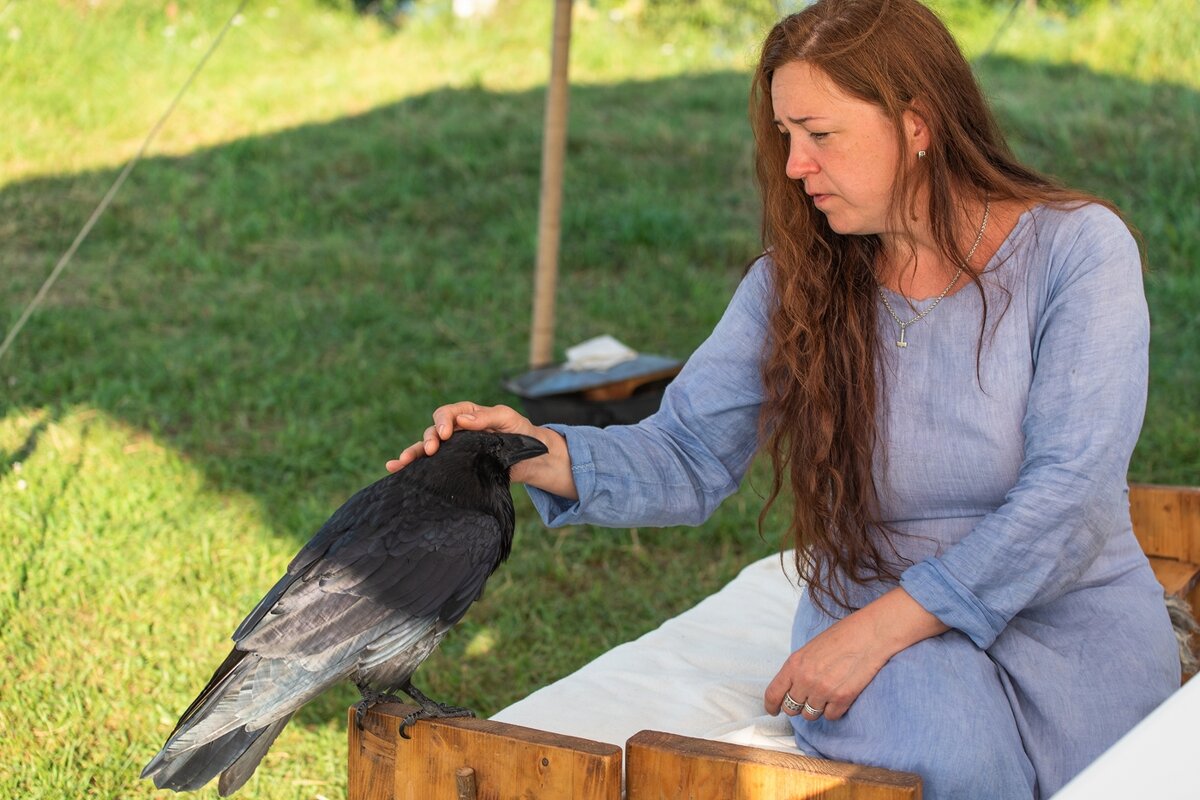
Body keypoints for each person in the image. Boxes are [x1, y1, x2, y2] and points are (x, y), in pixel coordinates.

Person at [388, 1, 1179, 796]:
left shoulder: (1076, 249)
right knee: (963, 766)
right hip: (889, 623)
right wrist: (530, 449)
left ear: (917, 123)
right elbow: (689, 453)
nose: (796, 166)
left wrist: (873, 632)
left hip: (1063, 608)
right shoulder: (794, 283)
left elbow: (1070, 493)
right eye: (786, 137)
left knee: (1111, 780)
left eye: (820, 134)